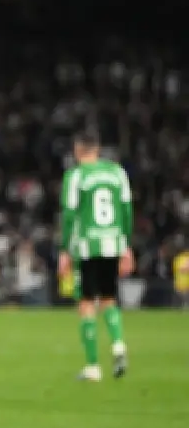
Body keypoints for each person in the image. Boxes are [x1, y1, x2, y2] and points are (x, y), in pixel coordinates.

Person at [57, 129, 133, 381]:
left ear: (78, 150)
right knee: (110, 298)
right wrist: (126, 246)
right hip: (113, 242)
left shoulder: (76, 175)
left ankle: (92, 367)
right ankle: (119, 344)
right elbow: (126, 210)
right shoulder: (117, 173)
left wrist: (66, 249)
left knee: (87, 303)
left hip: (87, 246)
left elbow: (69, 215)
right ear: (98, 150)